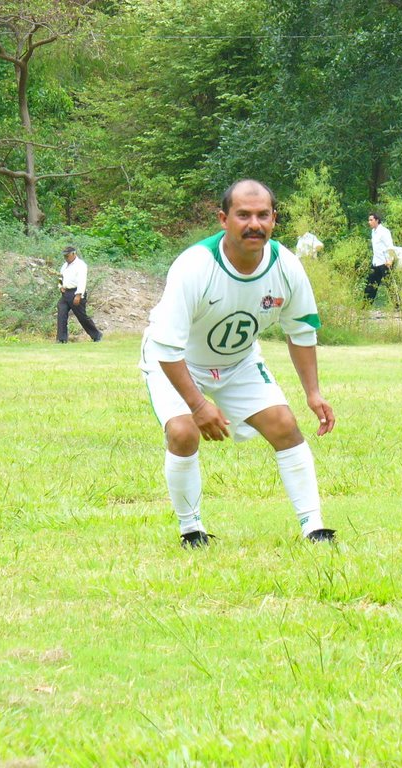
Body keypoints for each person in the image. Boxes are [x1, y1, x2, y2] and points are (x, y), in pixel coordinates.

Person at [139, 179, 336, 547]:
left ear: (274, 220)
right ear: (223, 219)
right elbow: (166, 348)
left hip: (239, 362)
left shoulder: (286, 266)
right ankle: (191, 530)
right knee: (183, 432)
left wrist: (313, 392)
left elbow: (302, 331)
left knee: (284, 424)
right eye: (243, 215)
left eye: (263, 215)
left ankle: (314, 528)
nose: (254, 224)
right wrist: (198, 405)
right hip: (178, 362)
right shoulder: (194, 265)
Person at [56, 246, 103, 343]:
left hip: (76, 292)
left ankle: (96, 335)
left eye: (67, 256)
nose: (66, 258)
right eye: (64, 256)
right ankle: (61, 339)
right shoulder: (64, 266)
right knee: (61, 313)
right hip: (66, 293)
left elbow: (82, 281)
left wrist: (78, 295)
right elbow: (60, 278)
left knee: (81, 316)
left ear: (74, 254)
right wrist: (60, 286)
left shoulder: (81, 265)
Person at [364, 213, 394, 302]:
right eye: (369, 220)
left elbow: (390, 246)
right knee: (371, 284)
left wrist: (390, 260)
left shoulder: (384, 231)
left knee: (390, 285)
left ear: (377, 220)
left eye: (371, 220)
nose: (369, 222)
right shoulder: (373, 232)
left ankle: (398, 305)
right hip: (376, 262)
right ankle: (366, 305)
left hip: (385, 262)